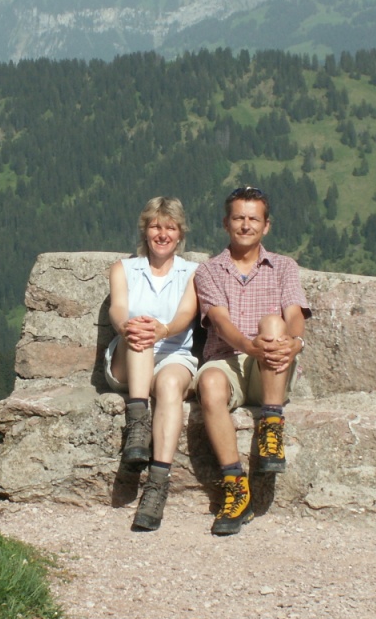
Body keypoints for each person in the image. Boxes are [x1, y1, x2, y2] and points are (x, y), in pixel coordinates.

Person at [193, 186, 311, 536]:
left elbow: (294, 313)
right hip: (228, 358)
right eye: (239, 218)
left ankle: (271, 426)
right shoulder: (209, 270)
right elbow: (221, 323)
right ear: (226, 223)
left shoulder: (284, 267)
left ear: (266, 226)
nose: (246, 225)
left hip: (270, 367)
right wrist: (249, 346)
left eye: (253, 219)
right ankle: (235, 486)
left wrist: (296, 342)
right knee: (209, 382)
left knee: (275, 324)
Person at [106, 196, 199, 531]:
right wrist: (129, 327)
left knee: (172, 386)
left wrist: (163, 329)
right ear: (145, 230)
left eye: (170, 227)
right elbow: (118, 308)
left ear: (180, 233)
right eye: (156, 226)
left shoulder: (192, 273)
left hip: (174, 353)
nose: (163, 234)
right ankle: (138, 425)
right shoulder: (124, 269)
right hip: (128, 356)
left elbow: (185, 316)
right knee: (140, 333)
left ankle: (157, 485)